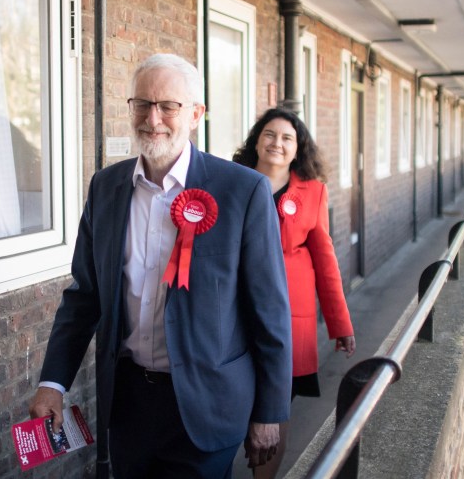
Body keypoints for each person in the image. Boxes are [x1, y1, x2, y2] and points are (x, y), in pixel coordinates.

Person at [29, 53, 292, 478]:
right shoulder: (105, 187)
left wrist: (270, 411)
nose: (154, 119)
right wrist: (53, 382)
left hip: (209, 405)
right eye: (143, 104)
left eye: (168, 106)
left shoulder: (244, 191)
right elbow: (84, 297)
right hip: (129, 404)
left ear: (195, 114)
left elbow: (270, 311)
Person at [233, 107, 356, 479]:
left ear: (297, 148)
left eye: (287, 138)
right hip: (235, 311)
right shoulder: (232, 182)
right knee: (234, 396)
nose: (277, 143)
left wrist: (340, 324)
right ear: (257, 140)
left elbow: (326, 260)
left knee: (276, 405)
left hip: (290, 319)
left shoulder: (313, 193)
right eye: (270, 134)